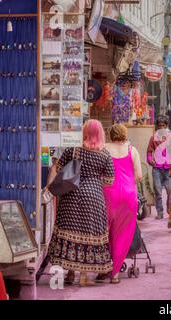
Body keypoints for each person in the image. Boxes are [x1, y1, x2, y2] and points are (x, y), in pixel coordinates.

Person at [47, 119, 114, 286]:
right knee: (88, 234)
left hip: (71, 195)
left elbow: (57, 167)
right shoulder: (105, 154)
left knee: (70, 231)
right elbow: (109, 181)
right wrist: (95, 181)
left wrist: (50, 187)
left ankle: (69, 273)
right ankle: (84, 275)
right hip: (94, 198)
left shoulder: (74, 150)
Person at [99, 124, 142, 284]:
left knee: (105, 231)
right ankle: (115, 274)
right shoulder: (132, 150)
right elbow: (138, 175)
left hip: (108, 194)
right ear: (124, 134)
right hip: (128, 195)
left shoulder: (103, 149)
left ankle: (103, 268)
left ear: (110, 135)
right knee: (122, 234)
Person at [147, 116, 171, 219]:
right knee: (157, 191)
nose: (161, 127)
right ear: (157, 127)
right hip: (157, 168)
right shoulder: (153, 138)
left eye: (163, 125)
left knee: (170, 190)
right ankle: (160, 212)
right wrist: (150, 160)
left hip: (168, 168)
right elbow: (149, 152)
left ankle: (169, 208)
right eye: (159, 126)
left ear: (166, 126)